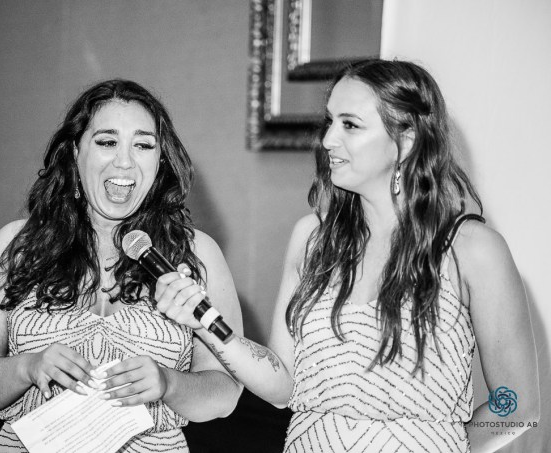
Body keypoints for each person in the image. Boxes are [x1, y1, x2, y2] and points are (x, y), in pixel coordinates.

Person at [155, 60, 539, 452]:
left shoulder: (472, 249)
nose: (327, 140)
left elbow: (516, 406)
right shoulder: (312, 238)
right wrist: (204, 321)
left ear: (407, 140)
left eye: (350, 125)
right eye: (330, 121)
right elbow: (283, 387)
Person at [0, 79, 243, 452]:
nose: (125, 161)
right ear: (75, 152)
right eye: (106, 142)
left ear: (160, 160)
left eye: (143, 145)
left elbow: (225, 392)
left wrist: (169, 384)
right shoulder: (17, 245)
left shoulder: (196, 254)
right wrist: (26, 367)